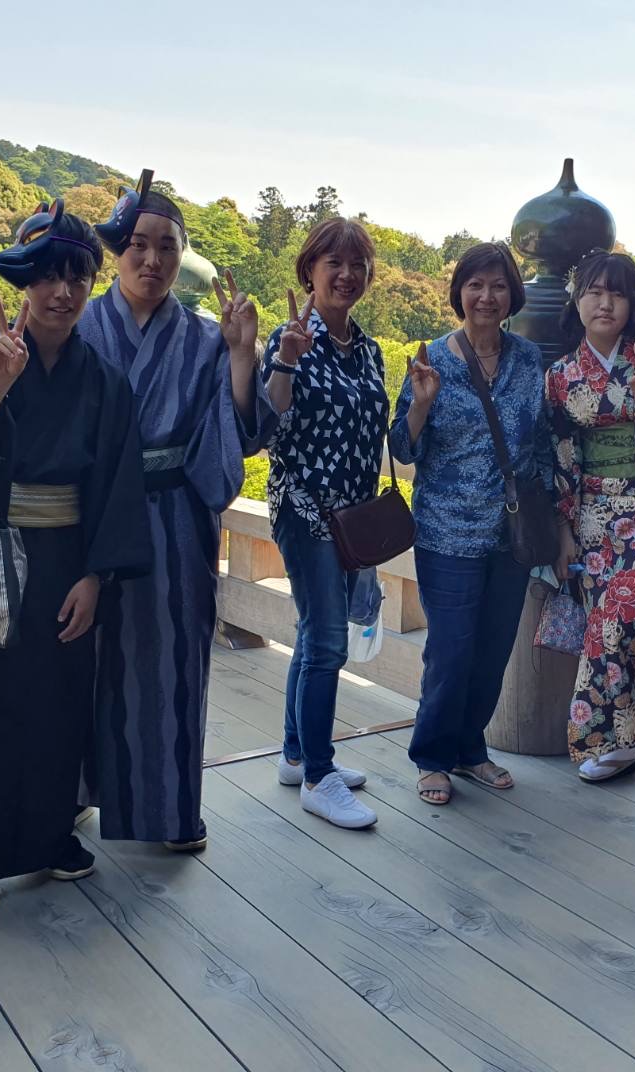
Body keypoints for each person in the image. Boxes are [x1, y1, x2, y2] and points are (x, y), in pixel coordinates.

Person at [0, 202, 150, 916]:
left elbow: (116, 480)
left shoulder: (102, 378)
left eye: (78, 278)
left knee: (58, 703)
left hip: (66, 557)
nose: (63, 293)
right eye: (47, 276)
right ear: (23, 282)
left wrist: (97, 575)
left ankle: (48, 834)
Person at [76, 184, 266, 852]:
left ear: (182, 257)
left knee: (173, 663)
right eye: (137, 245)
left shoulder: (208, 337)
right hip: (90, 515)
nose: (152, 260)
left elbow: (239, 430)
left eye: (167, 247)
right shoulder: (77, 324)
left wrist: (242, 354)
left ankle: (168, 813)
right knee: (82, 660)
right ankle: (75, 793)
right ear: (116, 252)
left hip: (176, 520)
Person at [390, 241, 551, 807]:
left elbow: (542, 443)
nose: (487, 296)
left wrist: (554, 519)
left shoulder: (529, 360)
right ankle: (432, 756)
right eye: (476, 285)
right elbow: (402, 448)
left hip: (512, 535)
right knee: (451, 651)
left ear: (512, 295)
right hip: (447, 533)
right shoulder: (432, 358)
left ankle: (469, 747)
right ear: (459, 292)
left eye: (498, 285)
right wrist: (420, 404)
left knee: (493, 649)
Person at [262, 217, 384, 830]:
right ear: (309, 270)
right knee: (329, 642)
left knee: (313, 636)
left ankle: (295, 755)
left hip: (352, 520)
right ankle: (319, 774)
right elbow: (269, 425)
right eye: (333, 263)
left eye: (357, 264)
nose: (346, 275)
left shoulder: (368, 349)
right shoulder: (290, 339)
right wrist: (286, 361)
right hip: (305, 506)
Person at [546, 252, 635, 783]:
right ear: (577, 301)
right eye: (595, 292)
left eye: (618, 294)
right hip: (592, 519)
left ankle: (617, 733)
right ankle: (620, 739)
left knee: (629, 628)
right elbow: (563, 457)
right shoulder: (561, 375)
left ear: (633, 303)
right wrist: (563, 531)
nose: (605, 304)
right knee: (609, 631)